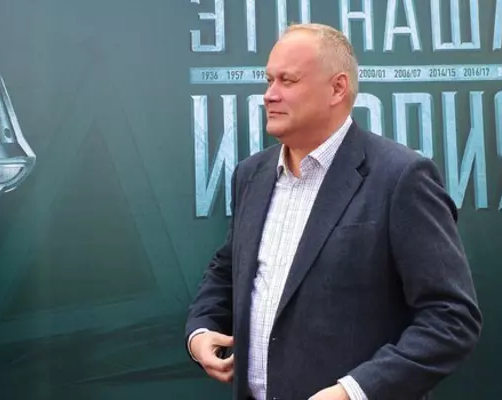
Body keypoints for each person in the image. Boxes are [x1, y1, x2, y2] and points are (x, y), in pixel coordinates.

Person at [185, 23, 482, 400]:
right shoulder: (251, 175)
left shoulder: (401, 177)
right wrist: (201, 329)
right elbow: (228, 268)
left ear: (338, 88)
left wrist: (353, 392)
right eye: (269, 80)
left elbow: (451, 317)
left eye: (288, 81)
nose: (269, 95)